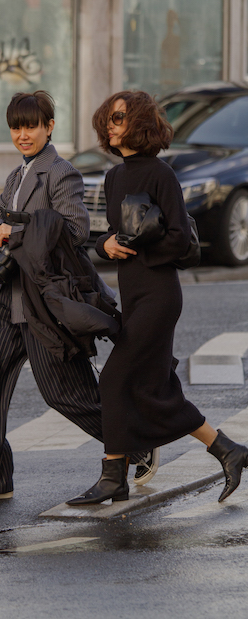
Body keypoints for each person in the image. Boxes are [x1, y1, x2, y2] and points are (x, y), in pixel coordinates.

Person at [0, 90, 149, 503]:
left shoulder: (60, 173)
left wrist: (14, 230)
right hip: (9, 300)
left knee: (66, 396)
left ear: (49, 127)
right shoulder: (17, 175)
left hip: (45, 303)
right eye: (16, 127)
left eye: (31, 126)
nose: (22, 135)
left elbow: (75, 229)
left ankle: (136, 443)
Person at [66, 90, 248, 506]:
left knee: (114, 379)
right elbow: (112, 235)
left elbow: (181, 239)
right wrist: (105, 246)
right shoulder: (114, 177)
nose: (110, 125)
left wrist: (138, 249)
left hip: (160, 296)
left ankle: (113, 475)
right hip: (133, 294)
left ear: (141, 123)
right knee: (153, 388)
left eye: (119, 118)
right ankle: (228, 450)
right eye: (108, 118)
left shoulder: (161, 174)